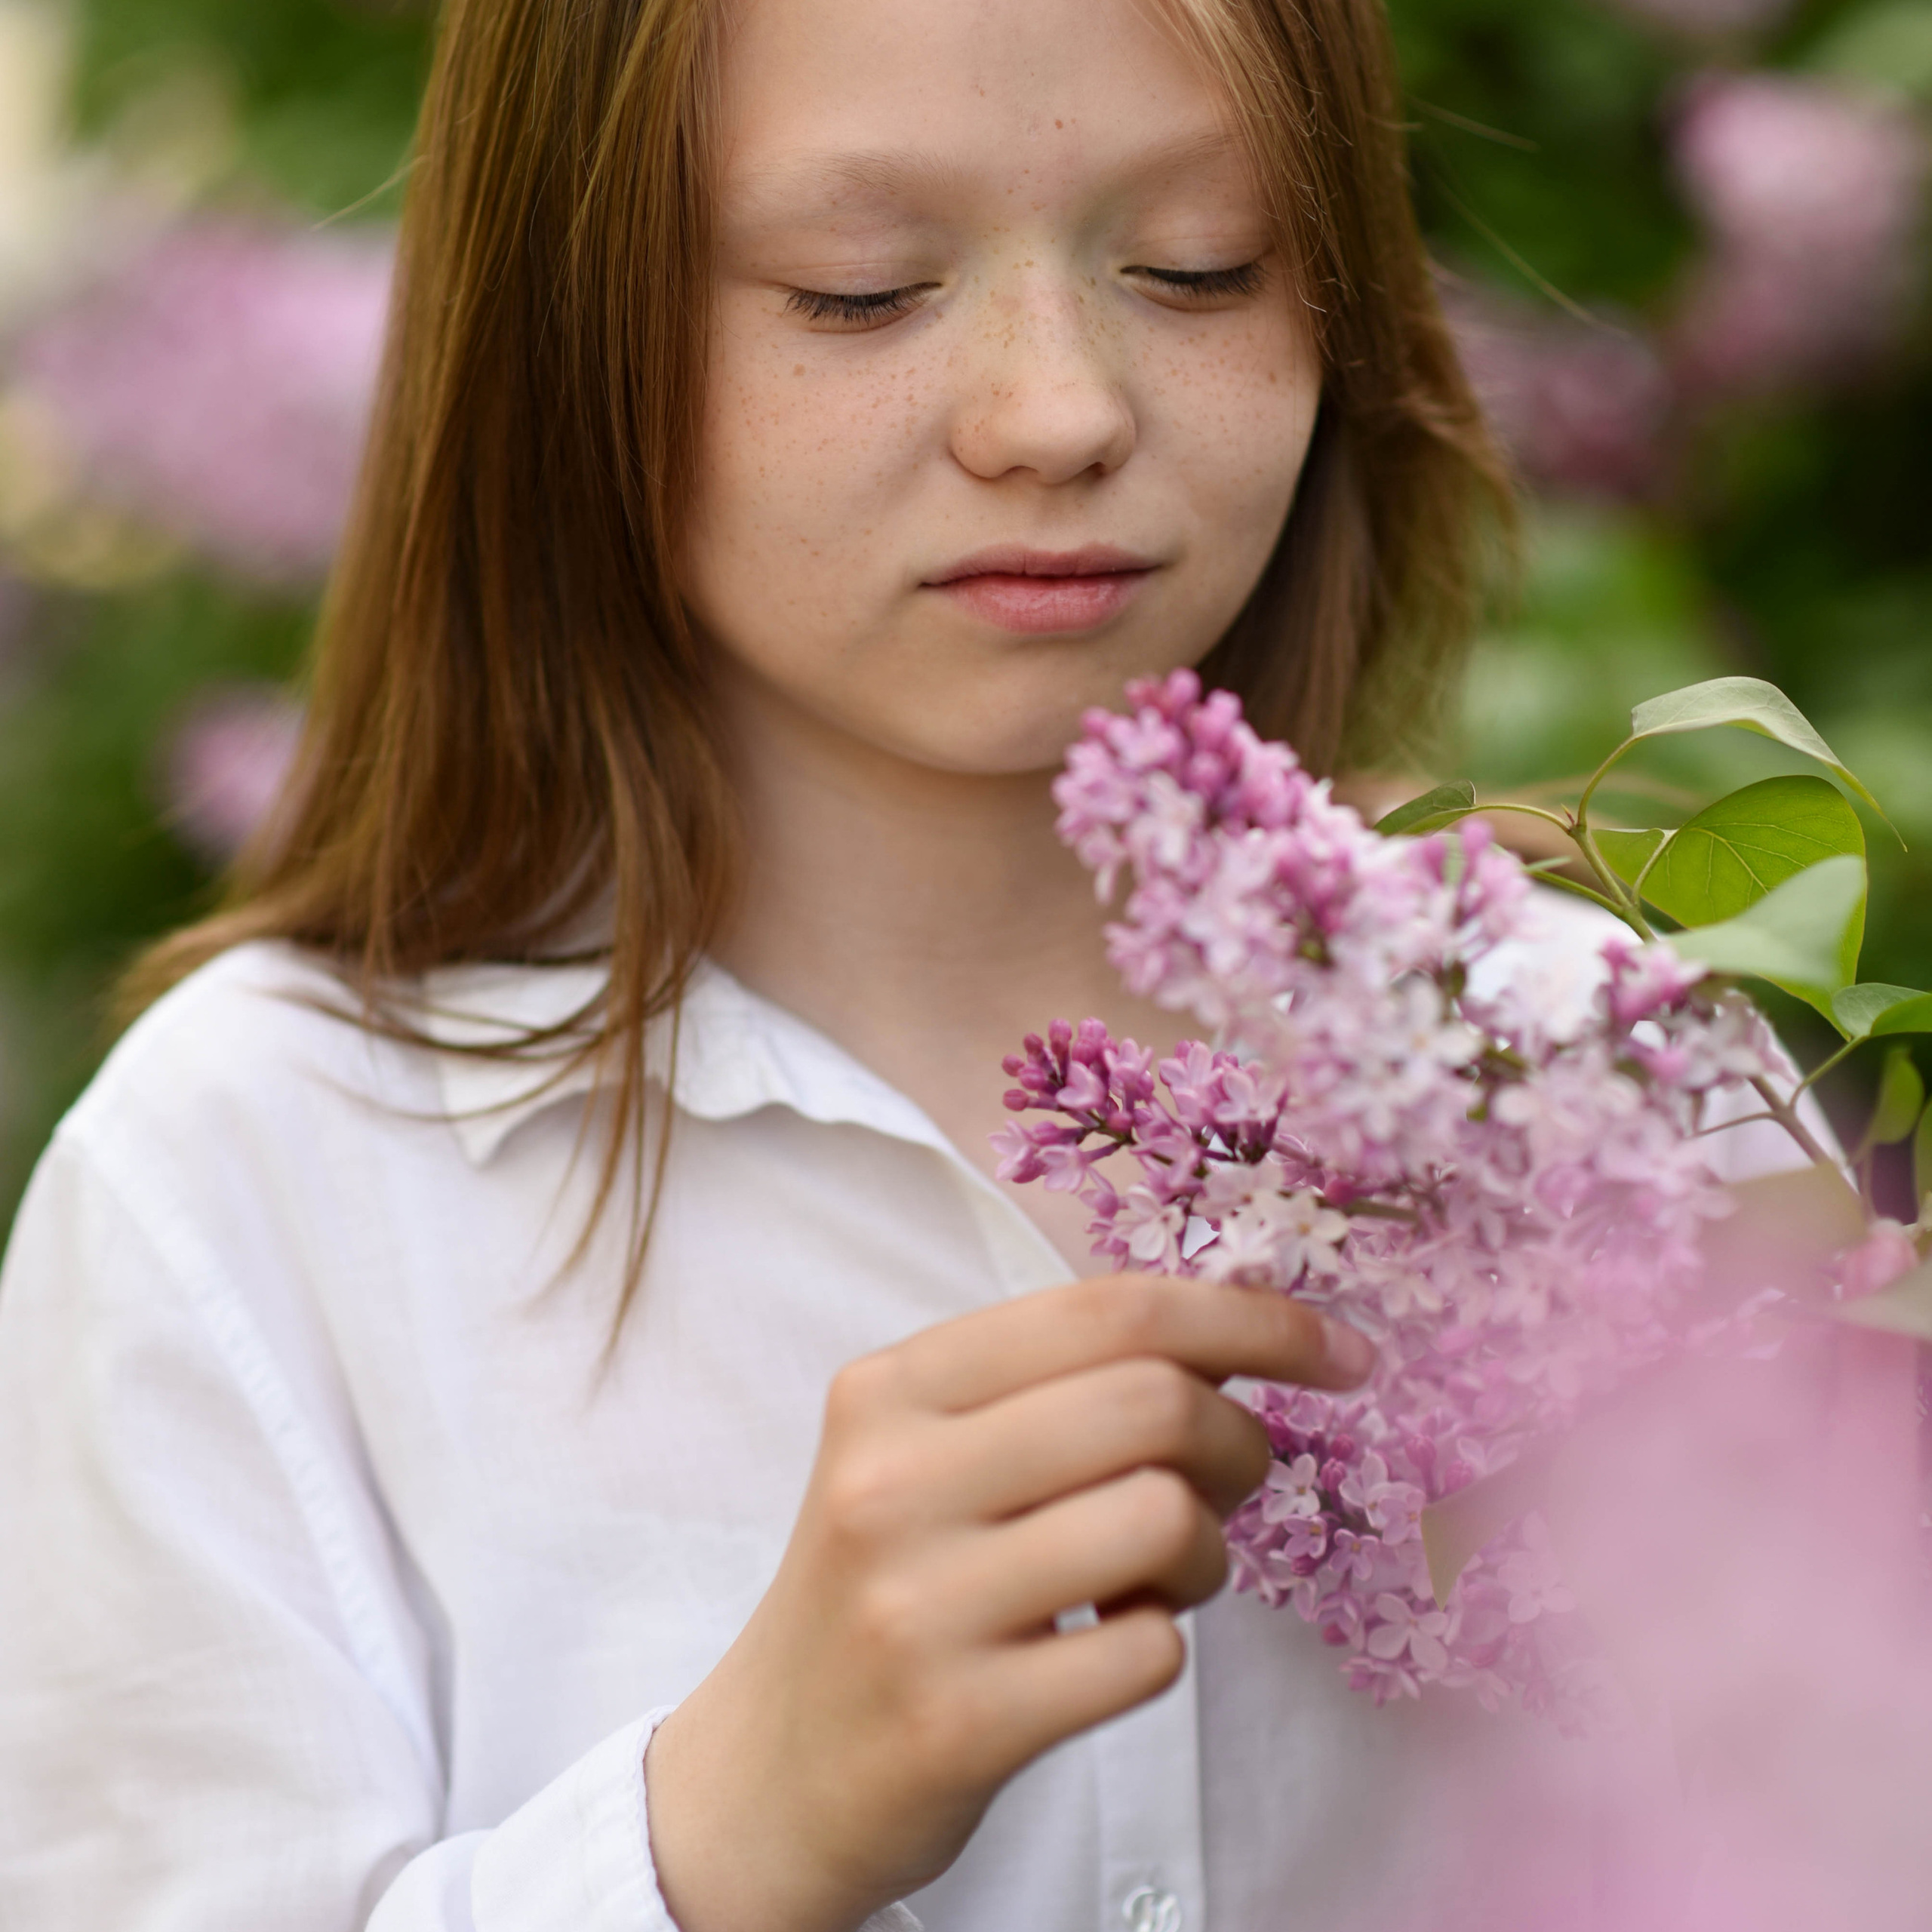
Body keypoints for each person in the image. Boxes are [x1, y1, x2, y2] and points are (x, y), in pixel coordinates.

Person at [0, 1, 1814, 1927]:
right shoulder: (258, 1181)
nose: (1057, 411)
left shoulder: (1602, 1076)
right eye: (858, 291)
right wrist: (713, 1835)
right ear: (564, 337)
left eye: (1199, 264)